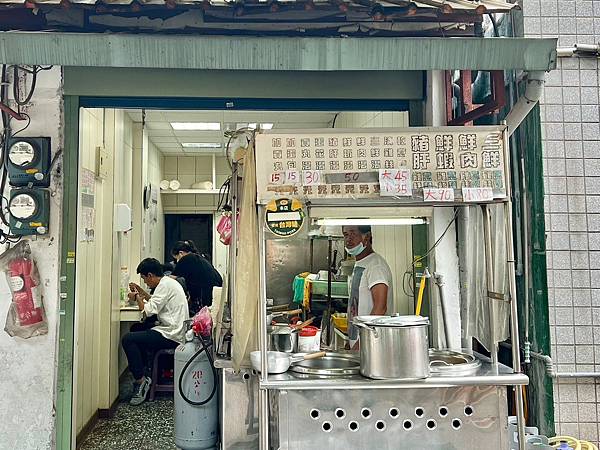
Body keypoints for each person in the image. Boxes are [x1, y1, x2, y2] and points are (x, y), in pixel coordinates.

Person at [122, 258, 189, 406]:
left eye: (145, 279)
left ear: (150, 275)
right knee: (136, 329)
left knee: (128, 339)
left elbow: (147, 311)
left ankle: (141, 381)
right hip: (173, 329)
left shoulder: (164, 286)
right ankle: (146, 373)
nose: (146, 283)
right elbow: (155, 301)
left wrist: (137, 297)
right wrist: (141, 292)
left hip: (171, 334)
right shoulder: (167, 283)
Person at [342, 225, 394, 348]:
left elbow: (380, 308)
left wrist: (363, 341)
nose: (348, 239)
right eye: (346, 235)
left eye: (353, 234)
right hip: (360, 342)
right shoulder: (361, 262)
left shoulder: (376, 266)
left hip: (373, 344)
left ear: (367, 237)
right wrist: (351, 338)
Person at [171, 240, 223, 315]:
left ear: (181, 253)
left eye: (176, 258)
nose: (177, 261)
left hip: (209, 287)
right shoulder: (196, 257)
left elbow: (170, 279)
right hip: (216, 284)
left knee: (206, 313)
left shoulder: (185, 259)